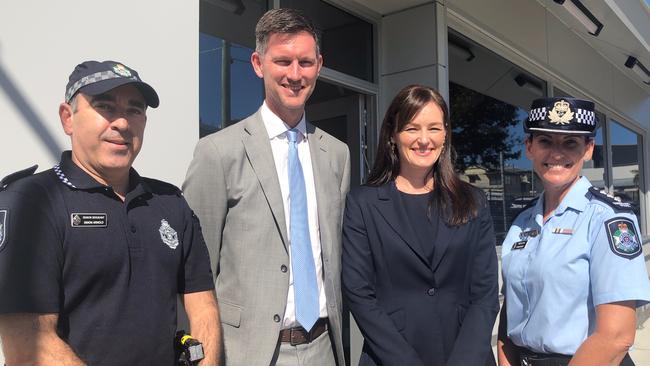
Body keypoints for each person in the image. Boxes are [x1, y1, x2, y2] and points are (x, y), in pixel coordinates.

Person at [0, 60, 220, 365]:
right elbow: (28, 343)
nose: (122, 123)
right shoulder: (32, 202)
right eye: (105, 107)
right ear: (68, 118)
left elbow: (203, 303)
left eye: (134, 109)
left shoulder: (169, 202)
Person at [183, 8, 350, 366]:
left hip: (325, 348)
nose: (295, 74)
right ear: (258, 63)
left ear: (319, 65)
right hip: (248, 353)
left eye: (305, 62)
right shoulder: (218, 152)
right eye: (283, 61)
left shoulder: (337, 155)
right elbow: (194, 270)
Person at [342, 84, 499, 366]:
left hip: (466, 356)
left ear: (446, 133)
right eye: (412, 128)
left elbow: (485, 293)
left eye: (434, 128)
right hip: (392, 359)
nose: (424, 140)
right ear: (393, 134)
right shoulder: (363, 204)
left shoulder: (473, 201)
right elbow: (359, 293)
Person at [497, 97, 650, 366]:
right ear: (529, 147)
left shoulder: (608, 219)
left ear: (589, 149)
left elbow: (616, 337)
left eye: (570, 143)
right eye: (545, 141)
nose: (557, 154)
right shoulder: (522, 221)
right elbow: (511, 311)